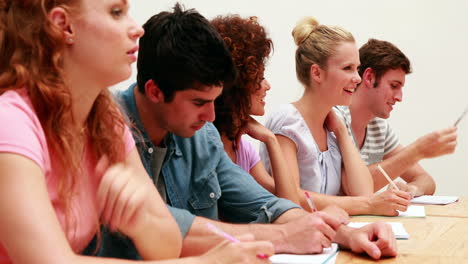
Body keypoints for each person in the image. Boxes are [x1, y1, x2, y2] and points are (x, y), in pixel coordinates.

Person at [105, 5, 398, 261]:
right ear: (155, 91)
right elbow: (160, 223)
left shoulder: (201, 136)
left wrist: (345, 235)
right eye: (199, 103)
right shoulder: (105, 126)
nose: (210, 116)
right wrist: (282, 236)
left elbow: (264, 203)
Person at [0, 0, 274, 263]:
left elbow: (166, 245)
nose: (137, 29)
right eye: (116, 11)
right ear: (65, 26)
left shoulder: (106, 120)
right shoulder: (11, 121)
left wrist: (142, 219)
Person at [260, 17, 412, 216]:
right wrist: (368, 205)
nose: (357, 78)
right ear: (317, 73)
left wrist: (341, 132)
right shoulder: (287, 121)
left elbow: (362, 192)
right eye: (347, 68)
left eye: (356, 69)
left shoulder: (333, 126)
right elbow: (292, 199)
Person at [333, 38, 457, 197]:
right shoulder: (334, 119)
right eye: (394, 86)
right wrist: (416, 151)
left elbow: (425, 180)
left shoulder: (379, 127)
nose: (399, 97)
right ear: (369, 77)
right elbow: (350, 187)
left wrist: (412, 190)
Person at [211, 15, 300, 205]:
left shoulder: (242, 148)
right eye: (260, 78)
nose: (267, 86)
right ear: (238, 85)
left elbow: (290, 203)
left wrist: (271, 140)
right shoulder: (207, 146)